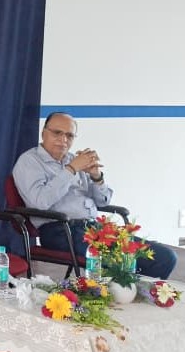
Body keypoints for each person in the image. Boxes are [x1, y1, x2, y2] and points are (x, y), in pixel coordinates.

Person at [12, 111, 176, 279]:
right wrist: (71, 169)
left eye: (69, 135)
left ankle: (136, 291)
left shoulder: (73, 159)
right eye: (57, 133)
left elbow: (102, 201)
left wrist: (96, 176)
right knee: (119, 260)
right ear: (44, 133)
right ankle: (119, 290)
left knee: (164, 258)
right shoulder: (29, 161)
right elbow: (40, 202)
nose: (63, 140)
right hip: (60, 230)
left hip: (93, 228)